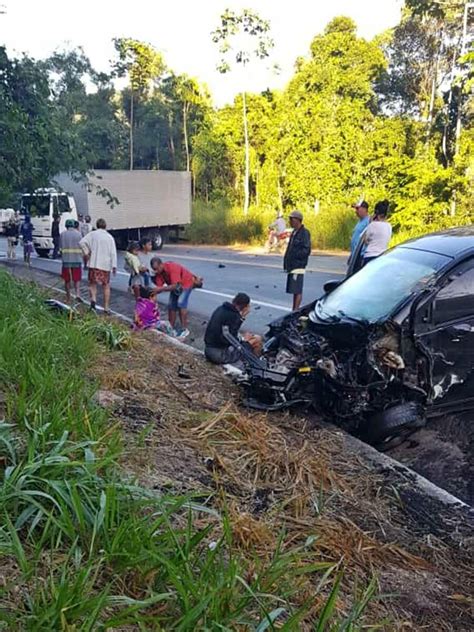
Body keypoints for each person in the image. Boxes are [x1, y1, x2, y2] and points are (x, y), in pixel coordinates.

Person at [204, 293, 262, 364]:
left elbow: (228, 332)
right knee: (256, 340)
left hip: (209, 348)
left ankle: (253, 362)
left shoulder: (221, 308)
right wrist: (244, 340)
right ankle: (256, 364)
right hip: (219, 354)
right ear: (245, 307)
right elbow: (230, 339)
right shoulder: (234, 315)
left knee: (250, 339)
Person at [150, 257, 199, 338]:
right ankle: (171, 326)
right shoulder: (159, 273)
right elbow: (159, 287)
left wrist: (160, 289)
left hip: (186, 283)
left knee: (180, 303)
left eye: (157, 268)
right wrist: (152, 294)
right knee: (171, 304)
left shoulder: (172, 267)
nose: (156, 271)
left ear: (161, 265)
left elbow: (174, 285)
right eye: (154, 269)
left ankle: (184, 329)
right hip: (175, 286)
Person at [79, 218, 117, 314]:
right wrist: (114, 266)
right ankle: (106, 307)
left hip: (94, 263)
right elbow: (113, 253)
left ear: (97, 225)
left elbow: (82, 242)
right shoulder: (109, 237)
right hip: (105, 265)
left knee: (92, 284)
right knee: (106, 286)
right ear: (105, 226)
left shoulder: (92, 234)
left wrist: (87, 252)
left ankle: (93, 301)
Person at [283, 210, 311, 311]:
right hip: (292, 265)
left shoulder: (304, 233)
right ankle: (294, 309)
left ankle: (295, 310)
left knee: (297, 289)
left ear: (298, 220)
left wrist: (296, 257)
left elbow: (306, 249)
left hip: (298, 265)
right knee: (293, 289)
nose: (290, 221)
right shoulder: (294, 232)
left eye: (292, 219)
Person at [362, 200, 392, 266]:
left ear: (376, 213)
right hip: (382, 256)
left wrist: (369, 223)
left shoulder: (372, 225)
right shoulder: (389, 226)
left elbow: (365, 240)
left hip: (370, 255)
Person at [60, 218, 83, 303]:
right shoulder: (79, 234)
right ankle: (77, 294)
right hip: (77, 259)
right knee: (77, 279)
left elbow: (60, 246)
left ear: (66, 226)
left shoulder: (62, 234)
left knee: (67, 279)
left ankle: (68, 297)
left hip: (66, 259)